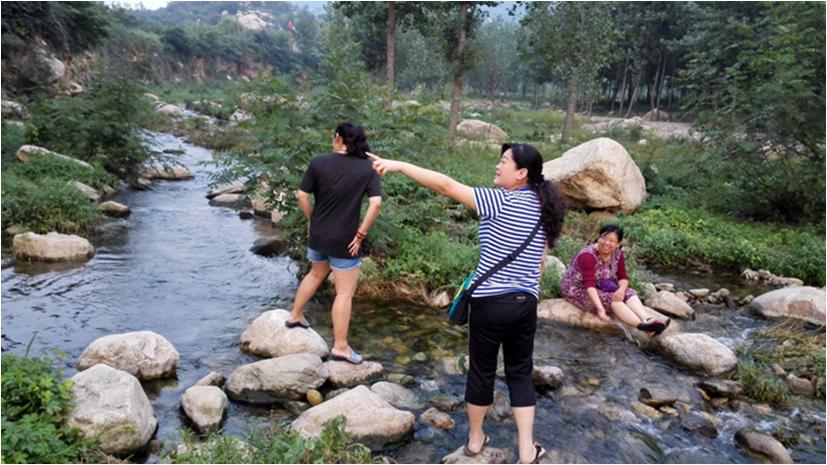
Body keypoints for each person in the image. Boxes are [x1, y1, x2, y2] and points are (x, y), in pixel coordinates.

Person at [370, 143, 566, 464]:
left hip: (491, 303)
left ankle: (475, 442)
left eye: (505, 161)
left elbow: (446, 185)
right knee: (520, 373)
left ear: (521, 173)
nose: (498, 165)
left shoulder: (500, 200)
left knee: (481, 372)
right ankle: (527, 451)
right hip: (525, 304)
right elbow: (541, 264)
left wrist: (401, 165)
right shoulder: (543, 209)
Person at [285, 122, 382, 365]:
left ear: (338, 138)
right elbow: (376, 204)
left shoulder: (319, 162)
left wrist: (311, 219)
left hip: (319, 234)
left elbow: (301, 195)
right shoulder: (368, 168)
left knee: (316, 275)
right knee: (345, 292)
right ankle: (340, 347)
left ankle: (295, 315)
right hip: (345, 239)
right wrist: (361, 234)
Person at [560, 224, 670, 335]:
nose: (606, 243)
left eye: (612, 241)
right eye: (604, 238)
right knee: (612, 299)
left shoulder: (618, 254)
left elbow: (623, 277)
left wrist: (621, 290)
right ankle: (643, 327)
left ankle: (648, 319)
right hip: (578, 288)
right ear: (599, 238)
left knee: (628, 292)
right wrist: (600, 308)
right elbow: (589, 285)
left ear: (618, 244)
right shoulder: (587, 256)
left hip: (601, 285)